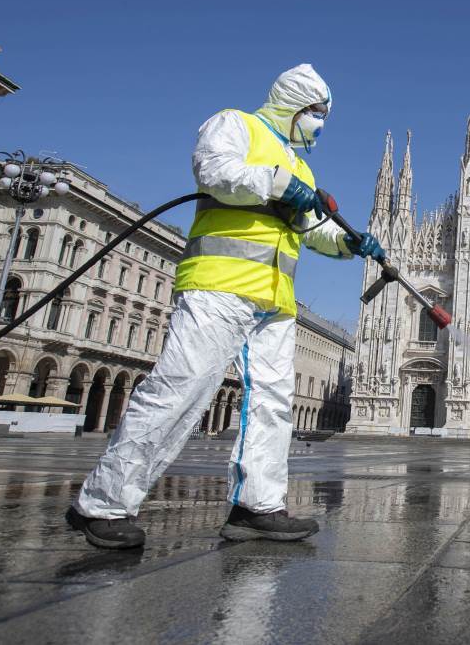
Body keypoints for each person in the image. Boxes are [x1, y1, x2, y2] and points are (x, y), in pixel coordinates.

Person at [66, 64, 384, 549]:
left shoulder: (298, 165)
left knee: (272, 406)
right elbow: (214, 172)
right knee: (181, 390)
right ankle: (104, 504)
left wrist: (348, 243)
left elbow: (308, 227)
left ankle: (257, 506)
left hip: (274, 301)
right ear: (295, 106)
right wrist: (276, 183)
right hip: (219, 285)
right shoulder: (237, 124)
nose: (320, 123)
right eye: (317, 113)